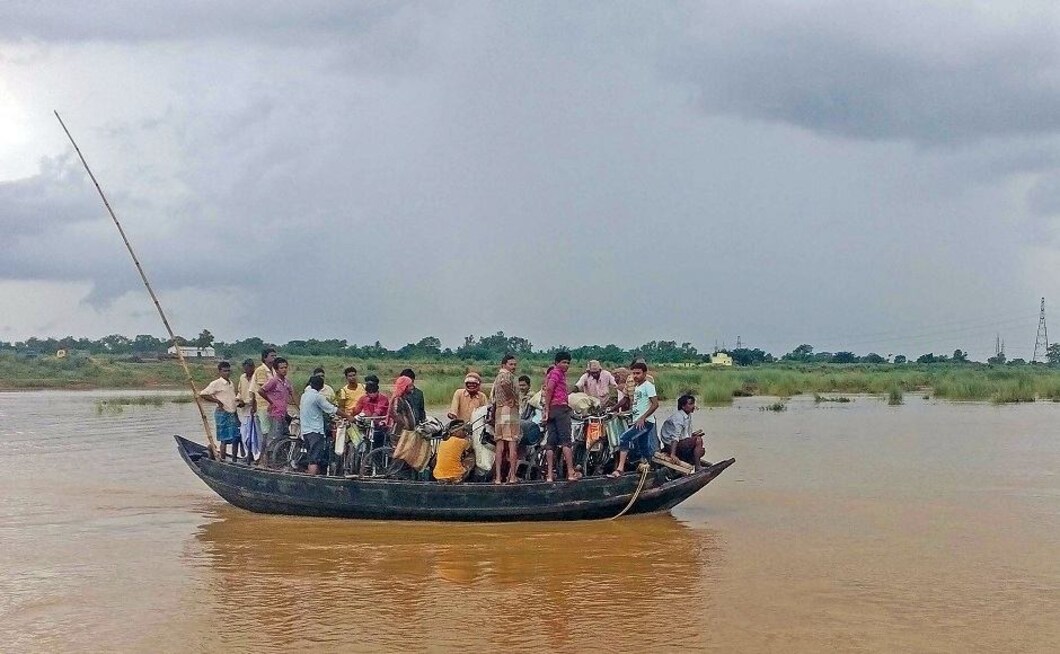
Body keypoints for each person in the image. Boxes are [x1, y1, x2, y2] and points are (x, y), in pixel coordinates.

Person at [611, 362, 659, 477]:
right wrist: (621, 412)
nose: (635, 376)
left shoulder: (648, 386)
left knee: (624, 438)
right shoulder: (637, 387)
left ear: (645, 373)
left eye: (638, 373)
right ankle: (651, 467)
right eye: (634, 373)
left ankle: (620, 469)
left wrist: (643, 418)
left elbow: (655, 404)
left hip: (646, 422)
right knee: (643, 446)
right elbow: (637, 405)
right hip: (638, 420)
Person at [541, 351, 580, 482]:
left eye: (568, 363)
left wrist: (547, 409)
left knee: (551, 443)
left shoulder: (554, 373)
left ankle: (550, 475)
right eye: (564, 362)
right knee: (566, 441)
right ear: (557, 363)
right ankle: (570, 472)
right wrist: (547, 406)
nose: (566, 365)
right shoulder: (557, 373)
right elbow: (550, 389)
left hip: (552, 410)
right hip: (560, 408)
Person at [300, 374, 347, 475]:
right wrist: (348, 417)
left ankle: (310, 477)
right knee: (315, 458)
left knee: (311, 456)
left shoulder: (304, 395)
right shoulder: (318, 397)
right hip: (315, 431)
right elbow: (332, 409)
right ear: (322, 386)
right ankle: (312, 481)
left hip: (305, 431)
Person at [199, 361, 240, 461]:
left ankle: (234, 460)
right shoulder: (216, 383)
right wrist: (217, 401)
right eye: (225, 371)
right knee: (224, 439)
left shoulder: (230, 383)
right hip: (222, 413)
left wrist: (236, 415)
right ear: (220, 372)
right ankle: (222, 459)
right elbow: (203, 394)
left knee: (236, 438)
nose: (227, 373)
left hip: (232, 413)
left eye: (228, 371)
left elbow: (232, 400)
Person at [491, 354, 521, 484]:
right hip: (509, 411)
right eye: (511, 364)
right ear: (504, 365)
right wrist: (512, 398)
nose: (513, 367)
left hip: (499, 411)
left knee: (500, 444)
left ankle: (498, 477)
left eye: (514, 364)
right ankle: (512, 476)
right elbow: (506, 384)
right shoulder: (506, 375)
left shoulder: (498, 376)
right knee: (512, 443)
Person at [659, 394, 706, 471]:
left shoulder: (688, 415)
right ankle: (698, 467)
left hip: (678, 443)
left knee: (701, 451)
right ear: (683, 406)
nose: (693, 406)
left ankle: (685, 460)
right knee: (698, 440)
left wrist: (692, 435)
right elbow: (675, 437)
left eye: (693, 403)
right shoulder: (679, 418)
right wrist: (673, 455)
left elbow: (684, 434)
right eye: (690, 404)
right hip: (670, 445)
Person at [259, 357, 294, 455]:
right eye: (281, 368)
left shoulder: (287, 382)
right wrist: (271, 402)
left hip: (284, 413)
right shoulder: (273, 381)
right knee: (275, 437)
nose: (284, 370)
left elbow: (292, 395)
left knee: (286, 437)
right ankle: (269, 459)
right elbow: (261, 391)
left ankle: (281, 459)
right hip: (275, 413)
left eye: (285, 367)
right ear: (276, 369)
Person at [352, 379, 390, 449]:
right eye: (370, 392)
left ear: (377, 391)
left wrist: (372, 418)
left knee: (377, 437)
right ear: (367, 393)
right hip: (368, 425)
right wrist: (351, 417)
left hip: (381, 425)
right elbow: (356, 410)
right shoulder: (363, 398)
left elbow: (378, 411)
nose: (372, 394)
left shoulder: (383, 398)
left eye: (374, 392)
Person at [236, 359, 258, 462]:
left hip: (254, 411)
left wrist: (245, 402)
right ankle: (249, 455)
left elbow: (256, 395)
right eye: (245, 369)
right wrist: (238, 399)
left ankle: (254, 456)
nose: (247, 371)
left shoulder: (256, 377)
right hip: (244, 411)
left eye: (249, 368)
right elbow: (240, 391)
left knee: (253, 437)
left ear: (253, 367)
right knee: (244, 435)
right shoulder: (242, 377)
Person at [252, 348, 277, 439]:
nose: (274, 358)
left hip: (273, 404)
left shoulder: (274, 370)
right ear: (265, 358)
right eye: (272, 356)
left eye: (275, 356)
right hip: (264, 404)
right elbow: (265, 387)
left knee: (273, 431)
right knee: (266, 431)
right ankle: (265, 452)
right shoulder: (261, 370)